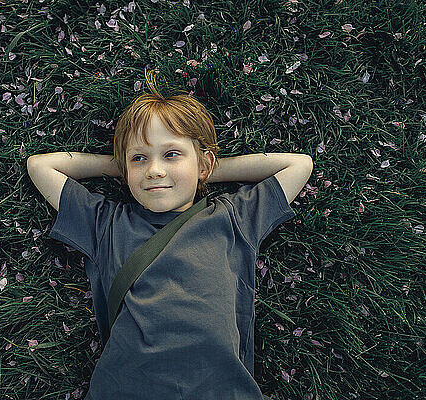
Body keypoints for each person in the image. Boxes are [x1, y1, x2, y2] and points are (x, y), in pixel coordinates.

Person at [26, 69, 313, 400]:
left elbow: (298, 165)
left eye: (172, 154)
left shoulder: (234, 217)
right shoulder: (106, 224)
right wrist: (121, 165)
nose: (154, 170)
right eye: (140, 159)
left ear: (204, 164)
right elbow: (41, 167)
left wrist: (207, 169)